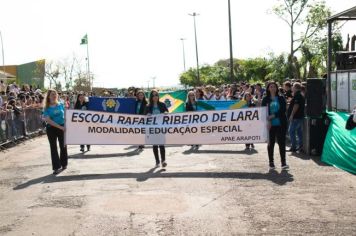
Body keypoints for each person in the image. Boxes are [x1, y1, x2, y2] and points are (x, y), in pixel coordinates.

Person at [262, 81, 289, 170]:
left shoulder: (281, 98)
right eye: (271, 87)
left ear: (277, 88)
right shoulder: (265, 99)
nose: (272, 88)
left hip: (281, 123)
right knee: (271, 144)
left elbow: (283, 110)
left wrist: (273, 115)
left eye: (274, 86)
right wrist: (267, 120)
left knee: (282, 143)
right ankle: (271, 162)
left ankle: (283, 162)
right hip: (270, 125)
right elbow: (263, 111)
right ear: (268, 88)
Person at [43, 89, 68, 175]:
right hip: (51, 129)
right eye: (52, 94)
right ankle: (56, 167)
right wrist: (60, 127)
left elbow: (65, 115)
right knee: (53, 148)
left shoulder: (61, 104)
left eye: (55, 94)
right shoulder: (46, 108)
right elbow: (48, 120)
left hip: (62, 127)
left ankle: (64, 164)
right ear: (48, 96)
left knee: (63, 146)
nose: (54, 96)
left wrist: (65, 125)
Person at [145, 90, 168, 168]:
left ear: (158, 96)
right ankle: (157, 161)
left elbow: (167, 113)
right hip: (152, 129)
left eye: (156, 95)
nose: (155, 97)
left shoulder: (162, 104)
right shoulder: (148, 106)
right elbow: (144, 117)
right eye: (153, 95)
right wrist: (147, 114)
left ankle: (163, 160)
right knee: (155, 145)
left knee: (162, 145)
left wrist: (166, 113)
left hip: (161, 128)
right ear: (151, 97)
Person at [287, 82, 305, 152]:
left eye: (293, 86)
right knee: (299, 132)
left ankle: (293, 147)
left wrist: (292, 115)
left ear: (295, 88)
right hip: (299, 116)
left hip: (296, 117)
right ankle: (300, 146)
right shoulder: (300, 94)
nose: (291, 88)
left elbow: (296, 105)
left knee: (291, 131)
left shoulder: (298, 95)